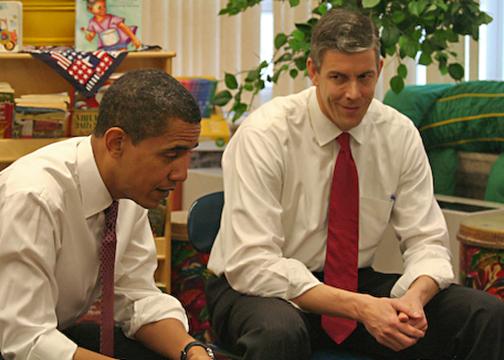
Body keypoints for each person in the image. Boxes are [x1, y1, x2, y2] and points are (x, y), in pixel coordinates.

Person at [206, 7, 504, 360]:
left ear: (379, 69)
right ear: (313, 72)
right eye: (339, 78)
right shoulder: (266, 133)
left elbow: (427, 241)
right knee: (279, 333)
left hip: (352, 286)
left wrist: (413, 299)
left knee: (484, 315)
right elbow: (252, 264)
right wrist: (362, 308)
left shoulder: (398, 134)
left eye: (365, 77)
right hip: (256, 289)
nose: (354, 93)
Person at [0, 69, 214, 360]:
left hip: (52, 331)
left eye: (189, 153)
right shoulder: (35, 197)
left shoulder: (129, 189)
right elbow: (24, 339)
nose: (182, 173)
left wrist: (193, 351)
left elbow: (136, 296)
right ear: (116, 143)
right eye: (171, 154)